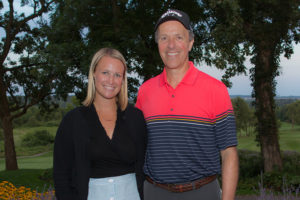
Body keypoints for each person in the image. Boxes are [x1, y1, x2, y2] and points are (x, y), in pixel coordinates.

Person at [135, 9, 239, 200]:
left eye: (178, 37)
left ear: (190, 42)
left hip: (202, 192)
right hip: (154, 192)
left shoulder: (216, 90)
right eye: (164, 38)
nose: (171, 45)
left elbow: (229, 154)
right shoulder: (145, 91)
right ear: (157, 43)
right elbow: (136, 146)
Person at [53, 48, 147, 200]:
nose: (111, 80)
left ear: (123, 80)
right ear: (93, 74)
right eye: (105, 73)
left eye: (117, 75)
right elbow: (61, 174)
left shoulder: (136, 118)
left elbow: (145, 166)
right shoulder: (73, 121)